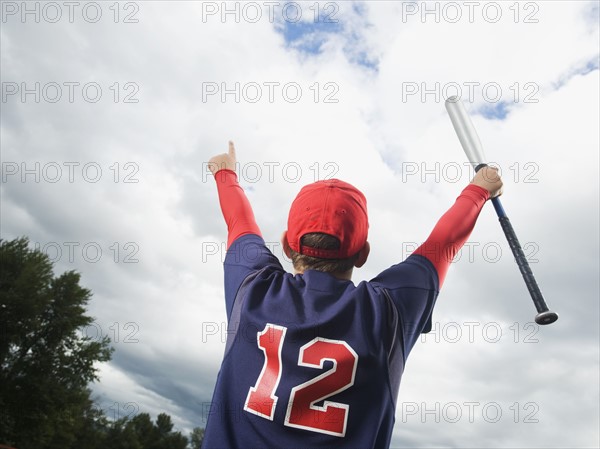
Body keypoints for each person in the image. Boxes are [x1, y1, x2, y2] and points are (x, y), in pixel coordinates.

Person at [202, 141, 503, 448]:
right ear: (363, 254)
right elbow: (444, 242)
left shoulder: (254, 287)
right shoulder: (388, 310)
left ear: (288, 245)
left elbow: (239, 221)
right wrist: (479, 190)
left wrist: (225, 172)